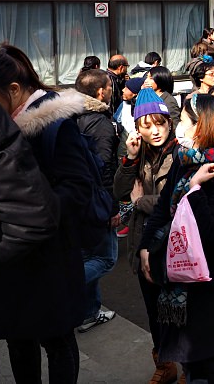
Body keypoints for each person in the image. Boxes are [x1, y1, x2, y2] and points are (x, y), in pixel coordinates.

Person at [0, 46, 90, 384]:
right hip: (9, 255)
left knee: (57, 340)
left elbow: (79, 192)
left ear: (13, 91)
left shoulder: (54, 125)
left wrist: (15, 212)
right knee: (19, 341)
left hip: (50, 256)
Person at [138, 94, 214, 381]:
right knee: (196, 367)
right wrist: (145, 246)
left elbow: (208, 230)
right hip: (182, 285)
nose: (178, 129)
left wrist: (194, 189)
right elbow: (162, 209)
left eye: (183, 122)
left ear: (201, 126)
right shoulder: (184, 161)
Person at [114, 87, 181, 383]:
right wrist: (129, 159)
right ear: (138, 128)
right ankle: (164, 364)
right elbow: (118, 191)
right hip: (143, 243)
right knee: (154, 312)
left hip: (174, 246)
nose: (155, 131)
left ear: (169, 122)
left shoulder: (181, 153)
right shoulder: (137, 154)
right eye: (147, 125)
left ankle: (188, 366)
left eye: (160, 123)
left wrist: (140, 201)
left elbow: (178, 200)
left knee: (179, 309)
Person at [73, 69, 121, 333]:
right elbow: (105, 168)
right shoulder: (101, 123)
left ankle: (89, 311)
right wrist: (111, 207)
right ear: (101, 92)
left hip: (76, 199)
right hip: (96, 202)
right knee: (105, 259)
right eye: (109, 88)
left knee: (86, 255)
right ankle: (63, 288)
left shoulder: (68, 115)